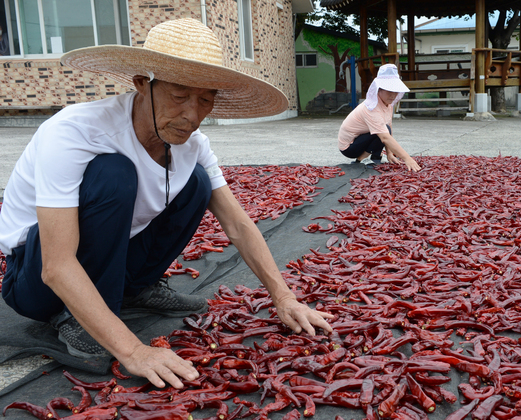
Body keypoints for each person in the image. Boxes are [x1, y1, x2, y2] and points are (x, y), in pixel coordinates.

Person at [0, 18, 333, 390]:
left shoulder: (194, 144)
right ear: (143, 84)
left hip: (112, 259)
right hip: (34, 280)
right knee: (114, 174)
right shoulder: (75, 133)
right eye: (178, 95)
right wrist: (134, 351)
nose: (192, 115)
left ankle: (136, 288)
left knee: (197, 183)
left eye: (205, 99)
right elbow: (56, 266)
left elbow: (237, 224)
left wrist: (284, 297)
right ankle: (79, 318)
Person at [338, 64, 420, 172]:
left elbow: (388, 128)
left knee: (386, 129)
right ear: (378, 89)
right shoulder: (371, 107)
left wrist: (390, 153)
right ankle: (364, 158)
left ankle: (374, 158)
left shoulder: (388, 104)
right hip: (349, 147)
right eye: (389, 91)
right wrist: (407, 158)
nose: (393, 95)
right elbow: (385, 137)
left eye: (395, 91)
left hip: (361, 139)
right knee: (382, 132)